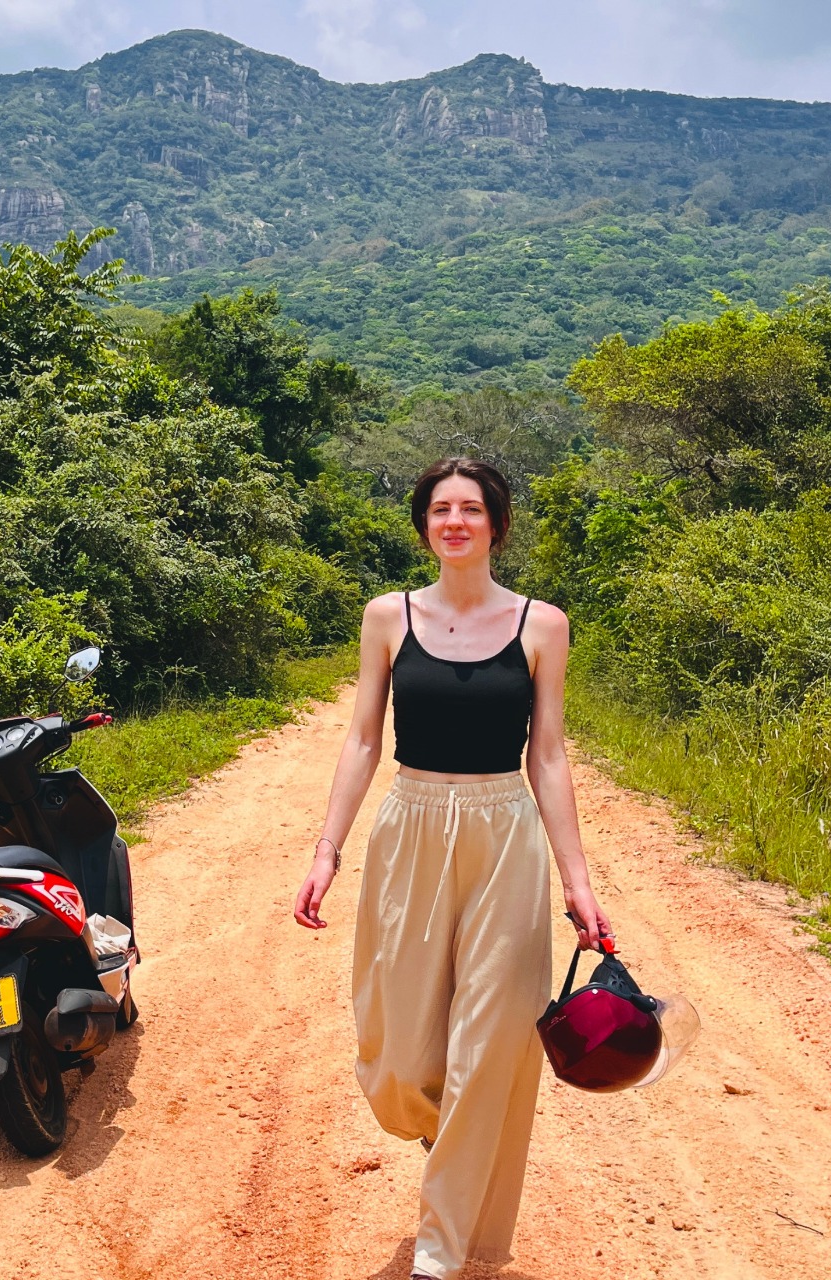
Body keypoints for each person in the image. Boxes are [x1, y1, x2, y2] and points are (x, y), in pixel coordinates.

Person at [293, 457, 613, 1280]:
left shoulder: (542, 625)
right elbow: (363, 738)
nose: (456, 522)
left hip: (505, 832)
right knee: (399, 1052)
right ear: (424, 524)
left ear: (497, 525)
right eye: (441, 510)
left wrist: (578, 882)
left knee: (492, 1042)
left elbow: (547, 756)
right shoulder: (387, 618)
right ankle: (450, 1133)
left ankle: (441, 1252)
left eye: (472, 509)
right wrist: (326, 849)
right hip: (411, 826)